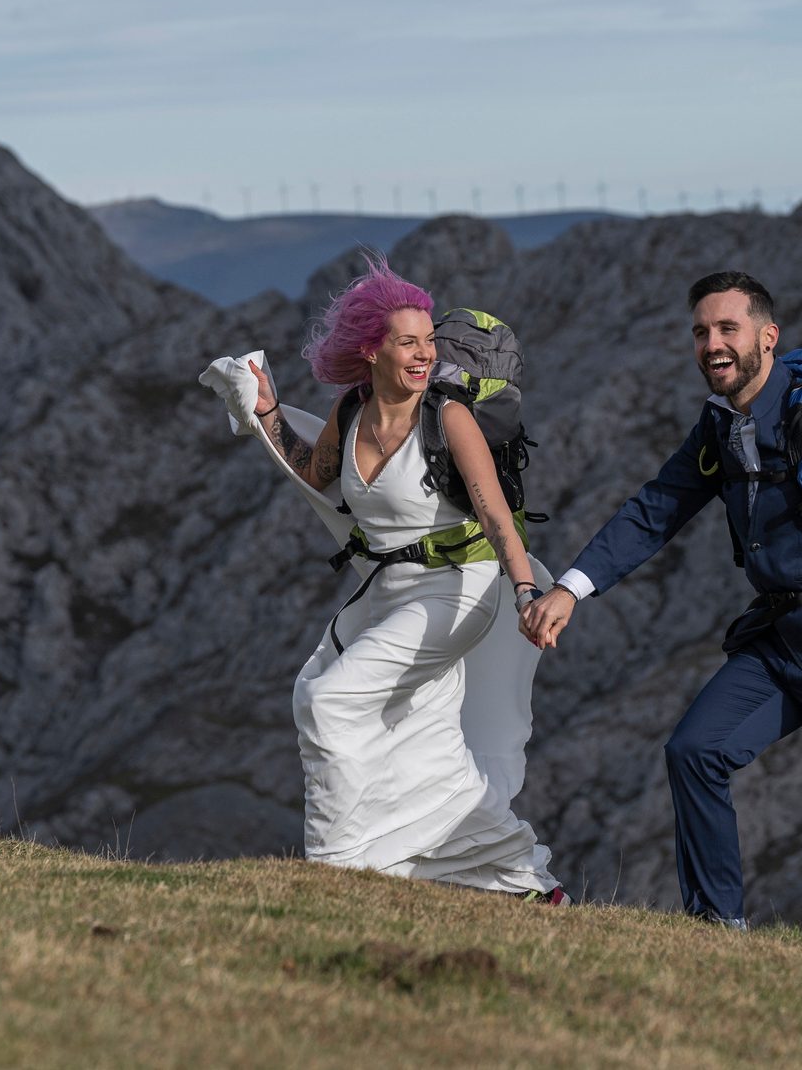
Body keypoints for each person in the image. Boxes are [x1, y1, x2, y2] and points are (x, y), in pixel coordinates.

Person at [518, 270, 802, 948]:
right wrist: (570, 587)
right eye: (701, 332)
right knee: (694, 751)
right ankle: (717, 930)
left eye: (727, 329)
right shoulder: (720, 426)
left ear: (768, 337)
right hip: (780, 641)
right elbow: (656, 510)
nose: (712, 344)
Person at [217, 259, 565, 901]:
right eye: (409, 342)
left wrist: (525, 591)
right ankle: (517, 874)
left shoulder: (450, 418)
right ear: (371, 349)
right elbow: (315, 472)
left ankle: (336, 864)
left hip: (460, 592)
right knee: (360, 712)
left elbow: (494, 513)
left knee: (330, 703)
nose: (425, 355)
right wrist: (266, 412)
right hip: (387, 593)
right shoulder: (350, 410)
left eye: (430, 342)